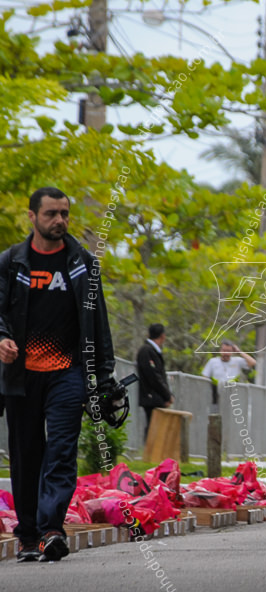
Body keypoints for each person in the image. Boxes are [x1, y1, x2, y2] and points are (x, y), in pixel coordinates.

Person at [0, 187, 116, 562]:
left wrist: (103, 377)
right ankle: (28, 534)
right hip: (21, 376)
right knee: (26, 453)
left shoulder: (82, 263)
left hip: (68, 373)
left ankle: (52, 529)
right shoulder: (10, 263)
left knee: (61, 450)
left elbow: (98, 324)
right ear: (31, 217)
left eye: (64, 213)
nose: (60, 221)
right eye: (51, 214)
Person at [137, 323, 173, 438]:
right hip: (151, 396)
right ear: (163, 336)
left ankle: (157, 454)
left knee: (159, 428)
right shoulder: (146, 351)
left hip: (157, 397)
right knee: (153, 428)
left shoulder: (153, 351)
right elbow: (153, 376)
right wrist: (167, 395)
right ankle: (151, 454)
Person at [201, 340, 256, 404]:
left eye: (228, 351)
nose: (226, 353)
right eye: (224, 350)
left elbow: (253, 362)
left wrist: (239, 351)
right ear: (220, 350)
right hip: (215, 393)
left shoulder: (237, 361)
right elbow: (205, 377)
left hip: (232, 395)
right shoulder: (213, 361)